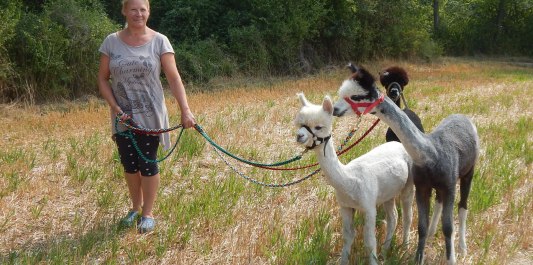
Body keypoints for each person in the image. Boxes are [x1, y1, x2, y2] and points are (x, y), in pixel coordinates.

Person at [97, 0, 196, 233]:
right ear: (124, 11)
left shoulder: (160, 41)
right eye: (133, 9)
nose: (138, 13)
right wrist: (115, 108)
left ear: (149, 12)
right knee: (130, 164)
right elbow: (102, 78)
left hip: (151, 116)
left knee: (148, 163)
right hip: (122, 117)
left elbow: (174, 78)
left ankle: (148, 213)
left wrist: (185, 110)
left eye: (143, 9)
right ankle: (135, 208)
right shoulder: (111, 42)